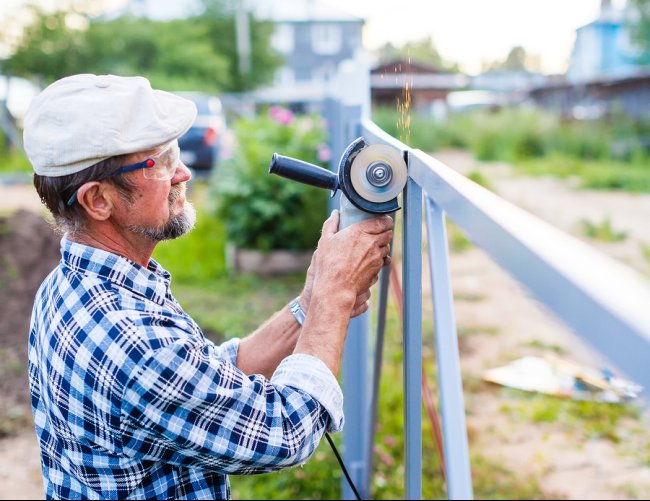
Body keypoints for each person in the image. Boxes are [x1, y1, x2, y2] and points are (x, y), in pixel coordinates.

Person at [24, 74, 394, 500]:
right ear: (98, 200)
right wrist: (335, 295)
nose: (183, 172)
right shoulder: (135, 341)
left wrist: (309, 306)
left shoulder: (71, 286)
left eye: (174, 152)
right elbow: (286, 431)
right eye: (159, 162)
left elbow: (199, 383)